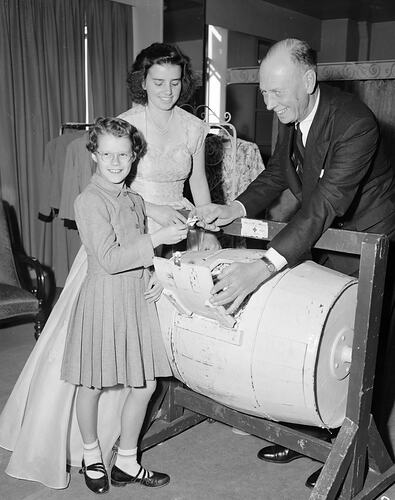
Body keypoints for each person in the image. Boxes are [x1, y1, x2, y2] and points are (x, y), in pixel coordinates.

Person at [196, 38, 395, 488]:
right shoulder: (291, 112)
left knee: (356, 348)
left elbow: (325, 201)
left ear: (308, 81)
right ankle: (304, 428)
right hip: (322, 230)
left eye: (276, 93)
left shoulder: (355, 123)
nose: (268, 104)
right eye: (264, 93)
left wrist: (261, 267)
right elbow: (278, 173)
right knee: (308, 333)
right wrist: (236, 209)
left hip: (369, 239)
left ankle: (352, 454)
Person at [0, 117, 188, 492]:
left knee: (145, 385)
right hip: (102, 299)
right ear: (93, 156)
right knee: (92, 384)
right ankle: (91, 455)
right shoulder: (88, 201)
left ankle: (127, 462)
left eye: (122, 155)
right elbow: (108, 258)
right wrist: (159, 239)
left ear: (134, 157)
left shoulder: (133, 199)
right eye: (107, 155)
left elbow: (136, 250)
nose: (115, 163)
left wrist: (152, 273)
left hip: (135, 299)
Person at [119, 42, 219, 251]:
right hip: (134, 219)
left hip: (180, 223)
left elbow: (198, 182)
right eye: (158, 82)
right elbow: (110, 187)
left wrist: (208, 231)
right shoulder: (126, 125)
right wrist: (153, 209)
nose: (168, 91)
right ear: (143, 82)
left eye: (175, 83)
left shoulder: (194, 127)